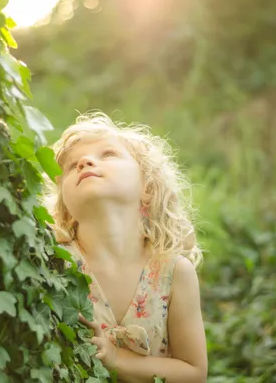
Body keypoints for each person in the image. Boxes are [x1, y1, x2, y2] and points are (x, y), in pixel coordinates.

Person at [44, 113, 208, 382]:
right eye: (72, 166)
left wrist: (118, 359)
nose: (85, 162)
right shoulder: (55, 261)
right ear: (66, 207)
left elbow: (194, 372)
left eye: (107, 154)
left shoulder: (174, 271)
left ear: (147, 185)